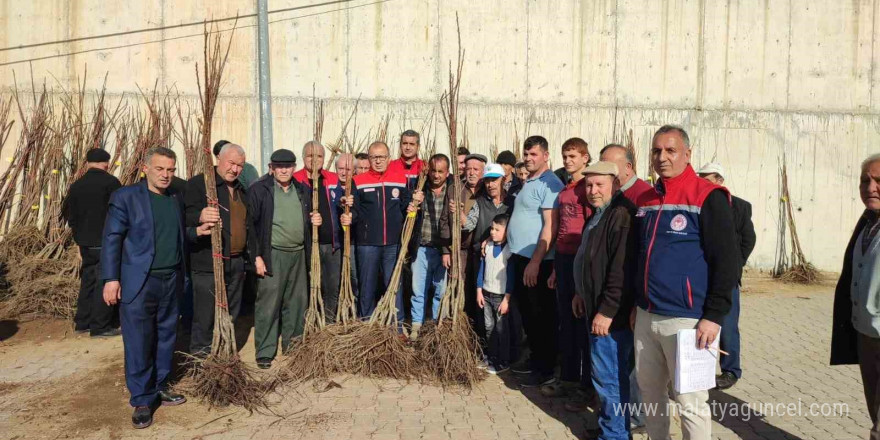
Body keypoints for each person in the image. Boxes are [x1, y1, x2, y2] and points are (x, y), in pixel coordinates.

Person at [633, 125, 738, 440]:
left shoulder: (707, 196)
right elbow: (639, 256)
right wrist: (636, 305)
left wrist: (713, 316)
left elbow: (727, 262)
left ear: (687, 154)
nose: (661, 157)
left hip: (689, 320)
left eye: (670, 150)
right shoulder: (647, 199)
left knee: (691, 402)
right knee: (650, 396)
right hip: (646, 316)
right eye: (656, 150)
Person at [101, 147, 214, 429]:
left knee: (166, 336)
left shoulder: (174, 199)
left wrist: (195, 232)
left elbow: (176, 236)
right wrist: (110, 279)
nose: (166, 175)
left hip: (171, 280)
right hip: (139, 281)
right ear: (145, 168)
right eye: (160, 169)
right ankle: (141, 398)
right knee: (139, 339)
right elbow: (112, 238)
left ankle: (161, 386)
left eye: (171, 170)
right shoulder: (126, 197)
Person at [571, 161, 638, 439]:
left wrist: (607, 310)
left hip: (610, 316)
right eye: (588, 185)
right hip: (593, 306)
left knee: (610, 377)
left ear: (615, 183)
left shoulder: (621, 215)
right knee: (605, 377)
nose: (593, 190)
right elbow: (590, 260)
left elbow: (621, 269)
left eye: (599, 184)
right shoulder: (598, 215)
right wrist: (579, 292)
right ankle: (610, 428)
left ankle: (615, 435)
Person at [248, 149, 315, 369]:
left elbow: (309, 219)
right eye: (279, 166)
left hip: (298, 253)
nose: (284, 170)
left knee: (296, 303)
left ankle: (293, 346)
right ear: (272, 167)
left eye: (288, 166)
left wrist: (315, 219)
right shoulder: (260, 190)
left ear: (294, 168)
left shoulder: (303, 190)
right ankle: (265, 351)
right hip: (272, 254)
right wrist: (257, 256)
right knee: (268, 303)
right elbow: (251, 226)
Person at [507, 135, 564, 388]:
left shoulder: (550, 184)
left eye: (534, 155)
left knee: (542, 316)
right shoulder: (528, 181)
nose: (529, 159)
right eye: (526, 154)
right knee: (529, 315)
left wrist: (536, 262)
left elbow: (550, 227)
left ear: (545, 156)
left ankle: (546, 369)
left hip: (537, 262)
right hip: (521, 258)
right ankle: (535, 359)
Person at [341, 141, 421, 318]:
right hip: (367, 244)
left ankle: (397, 326)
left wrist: (412, 205)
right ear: (368, 159)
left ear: (389, 158)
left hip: (393, 244)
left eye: (382, 157)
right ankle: (365, 325)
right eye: (374, 157)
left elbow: (405, 204)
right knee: (367, 286)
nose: (378, 161)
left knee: (394, 286)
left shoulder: (400, 179)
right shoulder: (358, 181)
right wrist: (348, 216)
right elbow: (355, 209)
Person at [831, 153, 880, 440]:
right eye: (865, 180)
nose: (871, 187)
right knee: (874, 407)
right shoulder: (867, 220)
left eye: (878, 181)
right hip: (866, 332)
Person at [185, 143, 249, 356]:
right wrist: (199, 217)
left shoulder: (241, 189)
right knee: (205, 314)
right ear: (218, 159)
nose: (235, 169)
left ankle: (224, 353)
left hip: (236, 262)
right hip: (209, 263)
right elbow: (183, 218)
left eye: (240, 165)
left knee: (231, 312)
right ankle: (201, 358)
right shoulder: (199, 184)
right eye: (231, 163)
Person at [697, 162, 756, 390]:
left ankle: (731, 370)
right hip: (702, 277)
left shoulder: (739, 206)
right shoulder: (697, 202)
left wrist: (733, 266)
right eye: (700, 177)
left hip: (726, 278)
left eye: (707, 178)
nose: (702, 181)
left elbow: (748, 240)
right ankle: (699, 370)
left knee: (728, 325)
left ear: (720, 180)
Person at [543, 138, 593, 401]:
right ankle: (569, 379)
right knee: (566, 322)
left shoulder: (590, 188)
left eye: (573, 156)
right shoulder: (565, 190)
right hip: (562, 261)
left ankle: (587, 386)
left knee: (581, 323)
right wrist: (554, 270)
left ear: (585, 157)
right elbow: (559, 230)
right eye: (565, 156)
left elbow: (590, 229)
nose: (568, 160)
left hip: (581, 261)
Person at [62, 147, 122, 337]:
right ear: (107, 163)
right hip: (106, 241)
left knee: (87, 280)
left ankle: (83, 322)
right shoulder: (111, 183)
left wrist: (78, 240)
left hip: (85, 243)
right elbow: (119, 212)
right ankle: (100, 326)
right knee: (104, 281)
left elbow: (68, 214)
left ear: (87, 163)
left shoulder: (76, 185)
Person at [293, 141, 344, 323]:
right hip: (308, 246)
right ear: (303, 157)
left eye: (319, 156)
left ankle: (328, 323)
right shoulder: (295, 180)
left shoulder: (332, 178)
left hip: (332, 245)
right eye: (310, 156)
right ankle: (311, 322)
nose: (315, 160)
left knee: (332, 287)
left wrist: (346, 206)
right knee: (311, 286)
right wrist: (308, 219)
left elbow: (340, 204)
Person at [409, 154, 452, 338]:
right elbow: (408, 211)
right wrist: (412, 206)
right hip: (421, 247)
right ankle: (416, 326)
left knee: (440, 291)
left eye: (440, 171)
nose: (436, 175)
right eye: (433, 171)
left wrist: (448, 249)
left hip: (442, 250)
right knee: (418, 290)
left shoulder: (452, 191)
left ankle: (436, 326)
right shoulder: (420, 188)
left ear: (447, 172)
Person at [477, 213, 516, 375]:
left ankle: (503, 361)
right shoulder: (487, 246)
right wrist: (479, 290)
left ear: (507, 231)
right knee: (489, 327)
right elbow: (481, 270)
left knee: (501, 330)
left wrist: (507, 299)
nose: (492, 232)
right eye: (492, 228)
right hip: (486, 294)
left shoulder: (509, 251)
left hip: (501, 298)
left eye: (497, 229)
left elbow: (511, 278)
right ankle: (492, 357)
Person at [335, 153, 359, 301]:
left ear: (354, 170)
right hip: (334, 242)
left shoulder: (358, 187)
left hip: (353, 241)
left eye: (348, 169)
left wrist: (352, 215)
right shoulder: (329, 185)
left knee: (353, 275)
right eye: (340, 168)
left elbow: (363, 212)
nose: (343, 172)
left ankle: (354, 307)